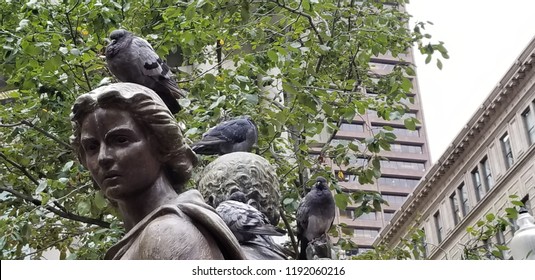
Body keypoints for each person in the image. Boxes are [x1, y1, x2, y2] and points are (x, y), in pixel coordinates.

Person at [70, 82, 245, 259]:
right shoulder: (147, 234)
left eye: (121, 140)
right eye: (91, 147)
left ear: (161, 144)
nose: (103, 157)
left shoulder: (169, 233)